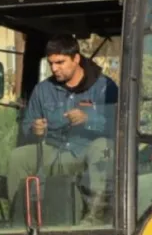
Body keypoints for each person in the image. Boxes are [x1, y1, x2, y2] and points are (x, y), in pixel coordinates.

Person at [6, 34, 118, 224]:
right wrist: (35, 130)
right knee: (18, 157)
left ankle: (96, 220)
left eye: (60, 62)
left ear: (76, 59)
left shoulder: (104, 87)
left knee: (103, 147)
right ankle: (19, 220)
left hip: (85, 153)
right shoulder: (43, 90)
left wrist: (88, 119)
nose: (55, 68)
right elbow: (26, 126)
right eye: (51, 63)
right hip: (52, 149)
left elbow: (117, 125)